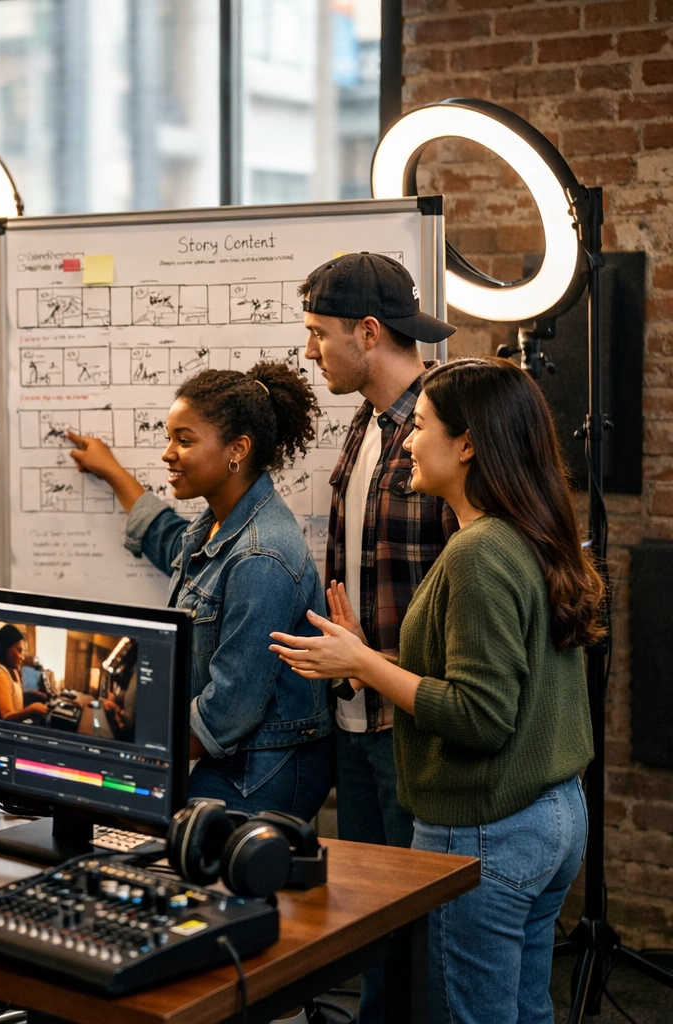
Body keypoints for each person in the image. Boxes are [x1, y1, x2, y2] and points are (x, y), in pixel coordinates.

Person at [269, 359, 598, 1024]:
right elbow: (491, 677)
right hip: (552, 820)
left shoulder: (478, 553)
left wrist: (364, 661)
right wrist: (367, 660)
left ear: (468, 444)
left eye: (418, 428)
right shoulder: (524, 532)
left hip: (486, 831)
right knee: (524, 1013)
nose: (406, 444)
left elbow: (480, 716)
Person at [299, 251, 458, 1024]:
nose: (308, 351)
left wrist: (377, 663)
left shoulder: (447, 431)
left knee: (425, 939)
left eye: (317, 333)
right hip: (356, 722)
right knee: (369, 929)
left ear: (367, 331)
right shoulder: (364, 424)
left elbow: (478, 601)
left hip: (415, 729)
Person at [68, 362, 332, 819]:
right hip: (229, 754)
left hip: (260, 766)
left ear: (237, 450)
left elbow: (230, 708)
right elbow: (167, 539)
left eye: (184, 440)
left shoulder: (260, 557)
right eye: (169, 437)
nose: (168, 453)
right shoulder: (216, 524)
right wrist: (112, 472)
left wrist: (124, 748)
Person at [0, 623, 48, 723]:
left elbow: (12, 695)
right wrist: (32, 708)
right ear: (5, 648)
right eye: (19, 650)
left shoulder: (10, 670)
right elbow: (6, 716)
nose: (23, 657)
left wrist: (34, 693)